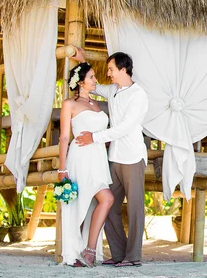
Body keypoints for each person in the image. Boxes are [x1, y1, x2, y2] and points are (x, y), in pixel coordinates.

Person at [75, 49, 149, 267]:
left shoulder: (138, 95)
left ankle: (133, 257)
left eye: (111, 69)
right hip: (114, 158)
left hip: (133, 157)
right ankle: (119, 254)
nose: (108, 73)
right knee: (108, 205)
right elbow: (93, 87)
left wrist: (94, 138)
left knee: (135, 208)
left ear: (123, 69)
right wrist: (83, 63)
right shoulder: (114, 90)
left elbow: (125, 128)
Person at [58, 62, 114, 267]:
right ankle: (74, 254)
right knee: (79, 204)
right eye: (91, 77)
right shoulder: (69, 104)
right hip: (79, 158)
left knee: (106, 199)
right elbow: (64, 138)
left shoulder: (97, 105)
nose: (95, 80)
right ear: (80, 82)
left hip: (98, 158)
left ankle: (89, 251)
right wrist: (62, 168)